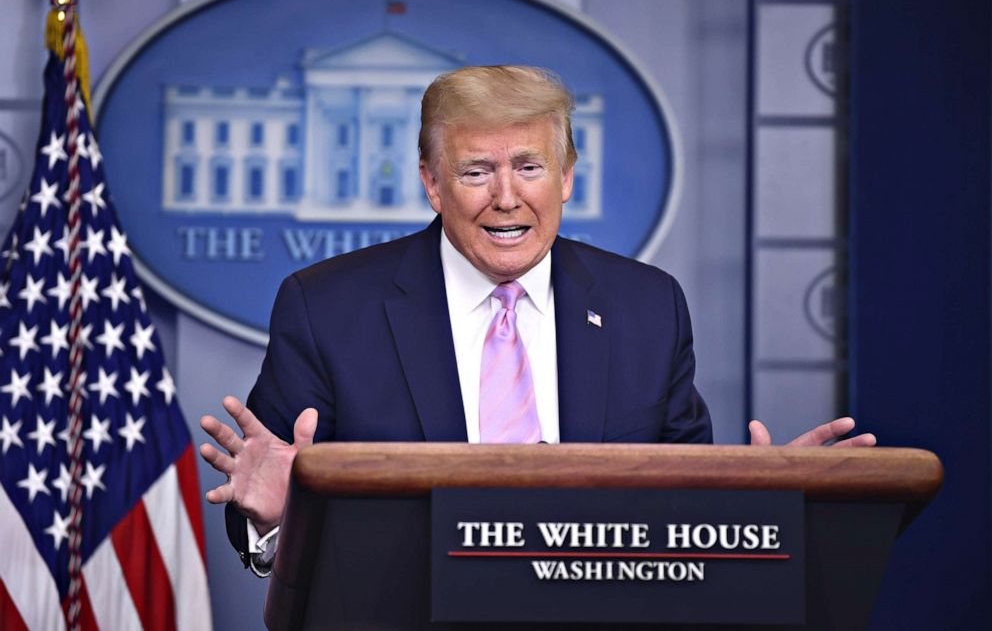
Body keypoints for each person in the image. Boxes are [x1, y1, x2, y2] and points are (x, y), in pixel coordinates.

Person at [198, 66, 875, 575]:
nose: (506, 197)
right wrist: (278, 516)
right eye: (475, 172)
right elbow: (262, 495)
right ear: (432, 182)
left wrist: (762, 506)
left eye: (529, 166)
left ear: (568, 175)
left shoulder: (648, 307)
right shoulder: (327, 308)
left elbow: (682, 512)